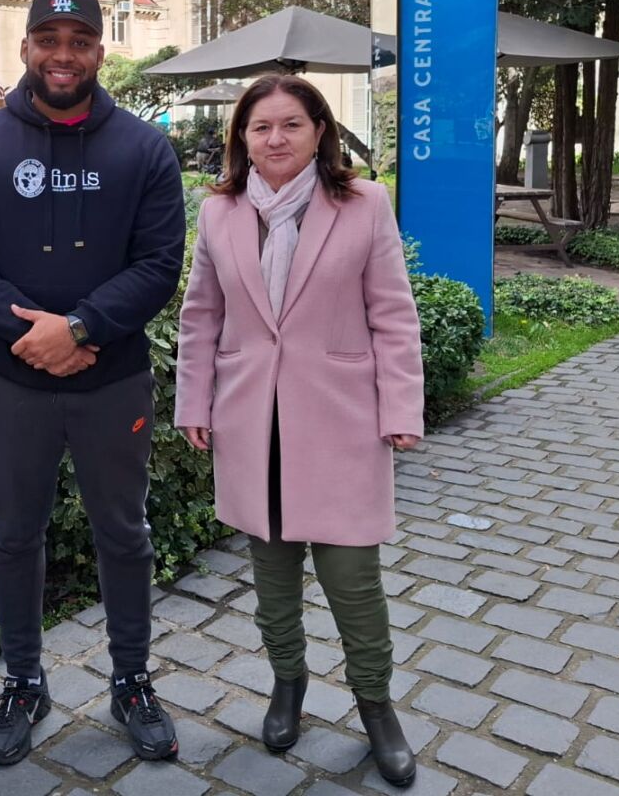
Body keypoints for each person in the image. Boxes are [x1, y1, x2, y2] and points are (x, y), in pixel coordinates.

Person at [0, 0, 186, 766]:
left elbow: (159, 265)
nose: (64, 54)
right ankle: (23, 680)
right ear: (25, 49)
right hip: (15, 381)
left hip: (113, 381)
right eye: (50, 38)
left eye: (79, 39)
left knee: (124, 530)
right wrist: (34, 338)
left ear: (100, 53)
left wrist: (78, 329)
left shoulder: (144, 148)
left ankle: (132, 679)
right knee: (14, 534)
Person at [174, 74, 423, 788]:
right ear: (241, 138)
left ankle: (377, 708)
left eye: (290, 124)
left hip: (342, 421)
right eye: (260, 127)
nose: (274, 139)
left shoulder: (364, 204)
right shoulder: (220, 212)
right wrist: (195, 402)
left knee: (353, 582)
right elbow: (202, 317)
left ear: (320, 130)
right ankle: (289, 687)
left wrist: (402, 408)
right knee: (273, 579)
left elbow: (394, 316)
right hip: (253, 423)